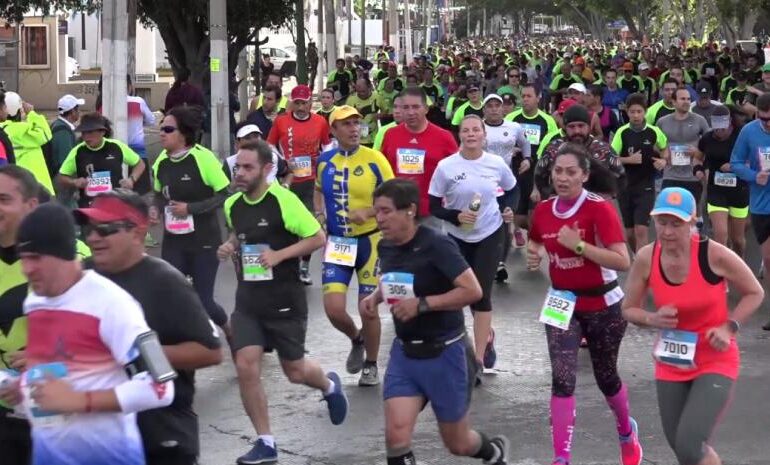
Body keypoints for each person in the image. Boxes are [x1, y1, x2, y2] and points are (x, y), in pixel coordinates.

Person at [0, 202, 175, 465]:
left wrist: (78, 400)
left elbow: (161, 387)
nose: (27, 269)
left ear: (62, 254)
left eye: (36, 258)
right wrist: (22, 387)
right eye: (24, 259)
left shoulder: (113, 304)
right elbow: (65, 372)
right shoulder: (35, 303)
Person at [360, 178, 510, 465]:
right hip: (405, 353)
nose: (379, 218)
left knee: (458, 442)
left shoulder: (437, 244)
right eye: (376, 211)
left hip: (445, 353)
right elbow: (393, 279)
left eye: (386, 211)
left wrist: (424, 305)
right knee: (396, 437)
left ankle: (491, 452)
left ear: (410, 211)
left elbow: (472, 290)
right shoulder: (386, 246)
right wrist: (375, 298)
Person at [219, 140, 348, 464]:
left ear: (266, 170)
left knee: (295, 371)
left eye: (248, 167)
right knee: (246, 365)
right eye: (238, 167)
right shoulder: (233, 204)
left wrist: (279, 255)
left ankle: (329, 386)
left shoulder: (283, 201)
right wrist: (230, 245)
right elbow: (241, 233)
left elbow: (317, 237)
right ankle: (266, 443)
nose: (240, 173)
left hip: (284, 301)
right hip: (248, 300)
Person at [76, 190, 223, 465]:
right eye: (90, 229)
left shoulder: (165, 281)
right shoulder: (80, 277)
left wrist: (132, 350)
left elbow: (210, 352)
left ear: (137, 232)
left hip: (160, 434)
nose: (93, 238)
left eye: (105, 229)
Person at [621, 187, 763, 465]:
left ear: (693, 222)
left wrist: (729, 327)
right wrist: (652, 318)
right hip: (672, 362)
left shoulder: (714, 255)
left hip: (715, 359)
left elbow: (755, 292)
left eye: (676, 223)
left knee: (689, 444)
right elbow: (628, 309)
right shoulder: (647, 257)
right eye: (662, 222)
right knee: (682, 448)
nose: (668, 231)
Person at [526, 143, 642, 465]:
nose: (562, 178)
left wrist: (578, 245)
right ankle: (561, 458)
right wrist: (533, 253)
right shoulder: (544, 209)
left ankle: (625, 432)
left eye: (570, 172)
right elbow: (537, 238)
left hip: (603, 304)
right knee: (562, 379)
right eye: (557, 171)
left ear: (585, 175)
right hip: (562, 303)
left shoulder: (599, 209)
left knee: (606, 377)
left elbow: (623, 261)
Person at [428, 115, 516, 374]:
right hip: (457, 236)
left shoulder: (496, 163)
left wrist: (508, 207)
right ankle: (486, 335)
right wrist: (455, 215)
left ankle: (477, 361)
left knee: (481, 294)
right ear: (460, 135)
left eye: (476, 130)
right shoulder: (446, 167)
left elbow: (512, 190)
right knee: (462, 294)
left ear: (483, 135)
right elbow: (433, 206)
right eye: (466, 131)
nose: (471, 135)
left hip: (490, 232)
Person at [314, 106, 394, 386]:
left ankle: (371, 364)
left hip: (370, 241)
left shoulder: (375, 159)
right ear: (333, 130)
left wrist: (370, 212)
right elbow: (317, 189)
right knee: (334, 309)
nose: (353, 129)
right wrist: (320, 214)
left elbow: (395, 196)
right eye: (346, 124)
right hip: (338, 242)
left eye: (356, 124)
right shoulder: (324, 161)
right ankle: (357, 339)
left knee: (367, 308)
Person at [152, 106, 232, 341]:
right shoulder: (162, 162)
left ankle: (228, 330)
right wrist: (155, 208)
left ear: (183, 134)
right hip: (174, 241)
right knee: (172, 296)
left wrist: (191, 209)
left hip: (204, 242)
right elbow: (158, 193)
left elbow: (224, 194)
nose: (162, 134)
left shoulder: (202, 157)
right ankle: (186, 345)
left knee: (204, 301)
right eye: (161, 129)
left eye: (168, 129)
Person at [267, 84, 331, 284]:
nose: (301, 107)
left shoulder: (320, 122)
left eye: (305, 103)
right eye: (298, 103)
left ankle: (304, 265)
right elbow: (269, 144)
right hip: (288, 180)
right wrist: (284, 162)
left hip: (311, 181)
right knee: (286, 225)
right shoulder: (281, 122)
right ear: (292, 103)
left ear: (311, 102)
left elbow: (327, 146)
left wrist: (322, 166)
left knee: (310, 225)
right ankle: (288, 264)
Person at [0, 165, 41, 464]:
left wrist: (50, 355)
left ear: (31, 205)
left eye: (3, 199)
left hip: (56, 415)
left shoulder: (74, 258)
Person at [381, 87, 458, 230]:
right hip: (397, 211)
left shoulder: (444, 137)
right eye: (406, 107)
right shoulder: (390, 135)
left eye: (416, 107)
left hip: (430, 213)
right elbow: (382, 170)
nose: (411, 112)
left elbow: (457, 174)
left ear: (426, 109)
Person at [730, 93, 770, 330]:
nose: (767, 124)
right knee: (768, 259)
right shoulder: (748, 132)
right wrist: (755, 176)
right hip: (761, 205)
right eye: (763, 119)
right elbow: (735, 163)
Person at [481, 94, 531, 281]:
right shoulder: (478, 127)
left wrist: (527, 158)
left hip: (507, 184)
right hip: (482, 184)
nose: (494, 109)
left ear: (503, 109)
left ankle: (500, 262)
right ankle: (480, 260)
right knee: (480, 220)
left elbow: (525, 144)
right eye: (490, 106)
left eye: (497, 105)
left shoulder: (514, 127)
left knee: (505, 220)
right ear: (484, 109)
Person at [612, 93, 669, 252]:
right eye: (632, 112)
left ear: (645, 112)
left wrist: (663, 160)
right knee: (630, 233)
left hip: (646, 186)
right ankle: (638, 256)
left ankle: (644, 265)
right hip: (625, 186)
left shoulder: (654, 131)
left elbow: (665, 148)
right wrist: (629, 160)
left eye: (639, 111)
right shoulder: (622, 132)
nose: (636, 115)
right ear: (627, 112)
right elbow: (611, 158)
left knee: (641, 229)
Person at [504, 84, 559, 246]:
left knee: (534, 215)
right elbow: (502, 141)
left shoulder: (548, 121)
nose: (525, 99)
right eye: (523, 96)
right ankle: (528, 232)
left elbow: (553, 148)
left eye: (529, 96)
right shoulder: (512, 119)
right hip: (516, 171)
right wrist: (511, 148)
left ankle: (533, 251)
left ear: (538, 97)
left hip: (538, 173)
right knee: (520, 218)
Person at [57, 113, 146, 208]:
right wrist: (74, 182)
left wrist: (131, 179)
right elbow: (61, 177)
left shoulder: (116, 147)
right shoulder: (77, 151)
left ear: (102, 132)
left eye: (90, 132)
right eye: (83, 133)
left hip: (116, 205)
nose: (86, 137)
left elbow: (140, 164)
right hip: (89, 207)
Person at [699, 105, 748, 256]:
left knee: (737, 239)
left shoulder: (742, 135)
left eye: (722, 129)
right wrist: (698, 169)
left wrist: (735, 167)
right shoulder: (707, 138)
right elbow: (697, 157)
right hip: (716, 190)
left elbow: (754, 161)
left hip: (739, 191)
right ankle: (721, 272)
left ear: (730, 123)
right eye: (716, 129)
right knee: (720, 236)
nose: (719, 132)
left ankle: (738, 266)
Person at [657, 88, 710, 226]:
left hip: (692, 175)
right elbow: (654, 144)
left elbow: (710, 144)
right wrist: (663, 154)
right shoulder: (663, 122)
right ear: (673, 102)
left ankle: (696, 240)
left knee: (692, 215)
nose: (686, 102)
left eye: (688, 99)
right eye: (682, 99)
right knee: (670, 214)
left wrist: (697, 152)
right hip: (670, 175)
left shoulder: (700, 120)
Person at [0, 92, 54, 195]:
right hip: (37, 190)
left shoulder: (4, 130)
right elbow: (45, 134)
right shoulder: (20, 130)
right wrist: (32, 114)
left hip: (16, 190)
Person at [127, 77, 156, 195]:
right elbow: (151, 120)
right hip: (138, 151)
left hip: (115, 151)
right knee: (141, 191)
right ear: (129, 86)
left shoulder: (106, 102)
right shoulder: (138, 101)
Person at [50, 94, 83, 175]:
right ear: (72, 112)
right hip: (63, 182)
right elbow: (65, 160)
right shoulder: (62, 131)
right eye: (77, 109)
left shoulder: (60, 126)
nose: (79, 112)